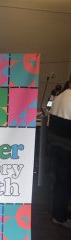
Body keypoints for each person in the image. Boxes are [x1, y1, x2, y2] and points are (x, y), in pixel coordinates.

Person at [48, 79, 71, 229]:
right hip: (67, 149)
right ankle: (59, 216)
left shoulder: (60, 96)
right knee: (64, 183)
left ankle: (60, 210)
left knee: (60, 181)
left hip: (56, 147)